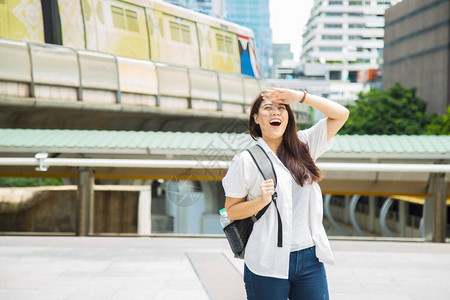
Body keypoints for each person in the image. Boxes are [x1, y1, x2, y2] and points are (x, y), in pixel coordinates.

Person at [222, 88, 349, 300]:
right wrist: (261, 201)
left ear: (288, 117)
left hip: (309, 257)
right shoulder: (245, 160)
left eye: (281, 108)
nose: (275, 113)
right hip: (266, 260)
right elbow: (231, 211)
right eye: (268, 109)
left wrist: (300, 97)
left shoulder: (304, 146)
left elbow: (341, 114)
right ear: (256, 118)